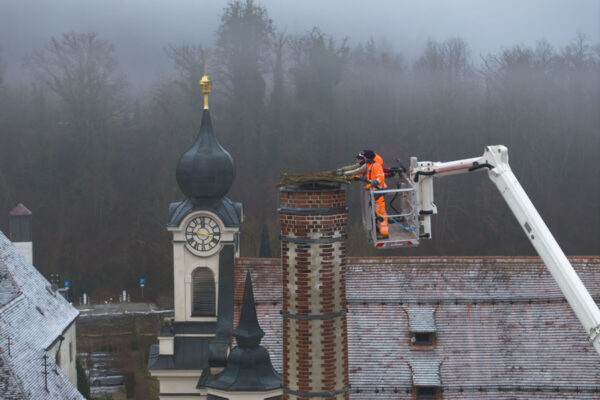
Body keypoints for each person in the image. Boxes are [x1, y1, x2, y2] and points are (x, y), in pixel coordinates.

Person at [357, 150, 389, 239]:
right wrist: (359, 177)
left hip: (379, 191)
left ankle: (384, 233)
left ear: (368, 158)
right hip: (375, 192)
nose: (364, 159)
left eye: (365, 157)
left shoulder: (376, 166)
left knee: (381, 212)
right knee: (378, 212)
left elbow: (379, 179)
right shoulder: (370, 166)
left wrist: (370, 185)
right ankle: (380, 229)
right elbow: (369, 177)